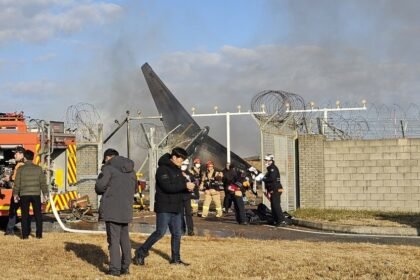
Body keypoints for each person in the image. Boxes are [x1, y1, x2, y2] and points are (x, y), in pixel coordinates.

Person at [133, 147, 195, 266]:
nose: (182, 163)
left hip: (176, 207)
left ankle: (176, 259)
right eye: (181, 160)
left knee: (177, 233)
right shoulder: (162, 170)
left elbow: (179, 187)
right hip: (164, 207)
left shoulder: (178, 170)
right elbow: (168, 187)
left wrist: (188, 188)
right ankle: (141, 252)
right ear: (174, 157)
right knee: (160, 232)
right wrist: (184, 185)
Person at [95, 148, 137, 276]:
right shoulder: (131, 170)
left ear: (108, 157)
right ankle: (125, 267)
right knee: (125, 239)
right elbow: (135, 188)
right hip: (126, 208)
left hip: (112, 209)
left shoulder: (108, 169)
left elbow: (99, 187)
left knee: (113, 240)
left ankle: (114, 270)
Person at [13, 150, 48, 239]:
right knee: (38, 215)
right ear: (32, 158)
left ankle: (25, 235)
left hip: (24, 195)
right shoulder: (38, 168)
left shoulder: (20, 169)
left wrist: (15, 194)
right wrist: (45, 193)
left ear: (25, 158)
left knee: (25, 215)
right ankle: (39, 235)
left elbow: (17, 183)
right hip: (36, 194)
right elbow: (43, 183)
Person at [4, 146, 25, 236]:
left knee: (12, 211)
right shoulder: (23, 164)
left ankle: (9, 231)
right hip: (25, 192)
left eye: (16, 153)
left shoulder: (19, 165)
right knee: (24, 212)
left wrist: (8, 179)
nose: (14, 155)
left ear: (21, 153)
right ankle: (25, 231)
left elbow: (15, 180)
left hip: (18, 192)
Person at [262, 154, 287, 227]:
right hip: (273, 189)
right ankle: (276, 220)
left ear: (271, 160)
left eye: (267, 160)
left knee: (276, 205)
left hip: (276, 189)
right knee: (273, 205)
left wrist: (263, 179)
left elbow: (272, 179)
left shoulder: (272, 168)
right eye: (265, 160)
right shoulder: (269, 169)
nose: (266, 162)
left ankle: (281, 220)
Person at [181, 159, 195, 236]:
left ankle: (190, 230)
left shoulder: (189, 174)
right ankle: (182, 229)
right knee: (180, 214)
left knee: (188, 213)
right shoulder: (177, 172)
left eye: (185, 165)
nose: (183, 166)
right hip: (179, 195)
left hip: (187, 195)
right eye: (182, 164)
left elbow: (194, 182)